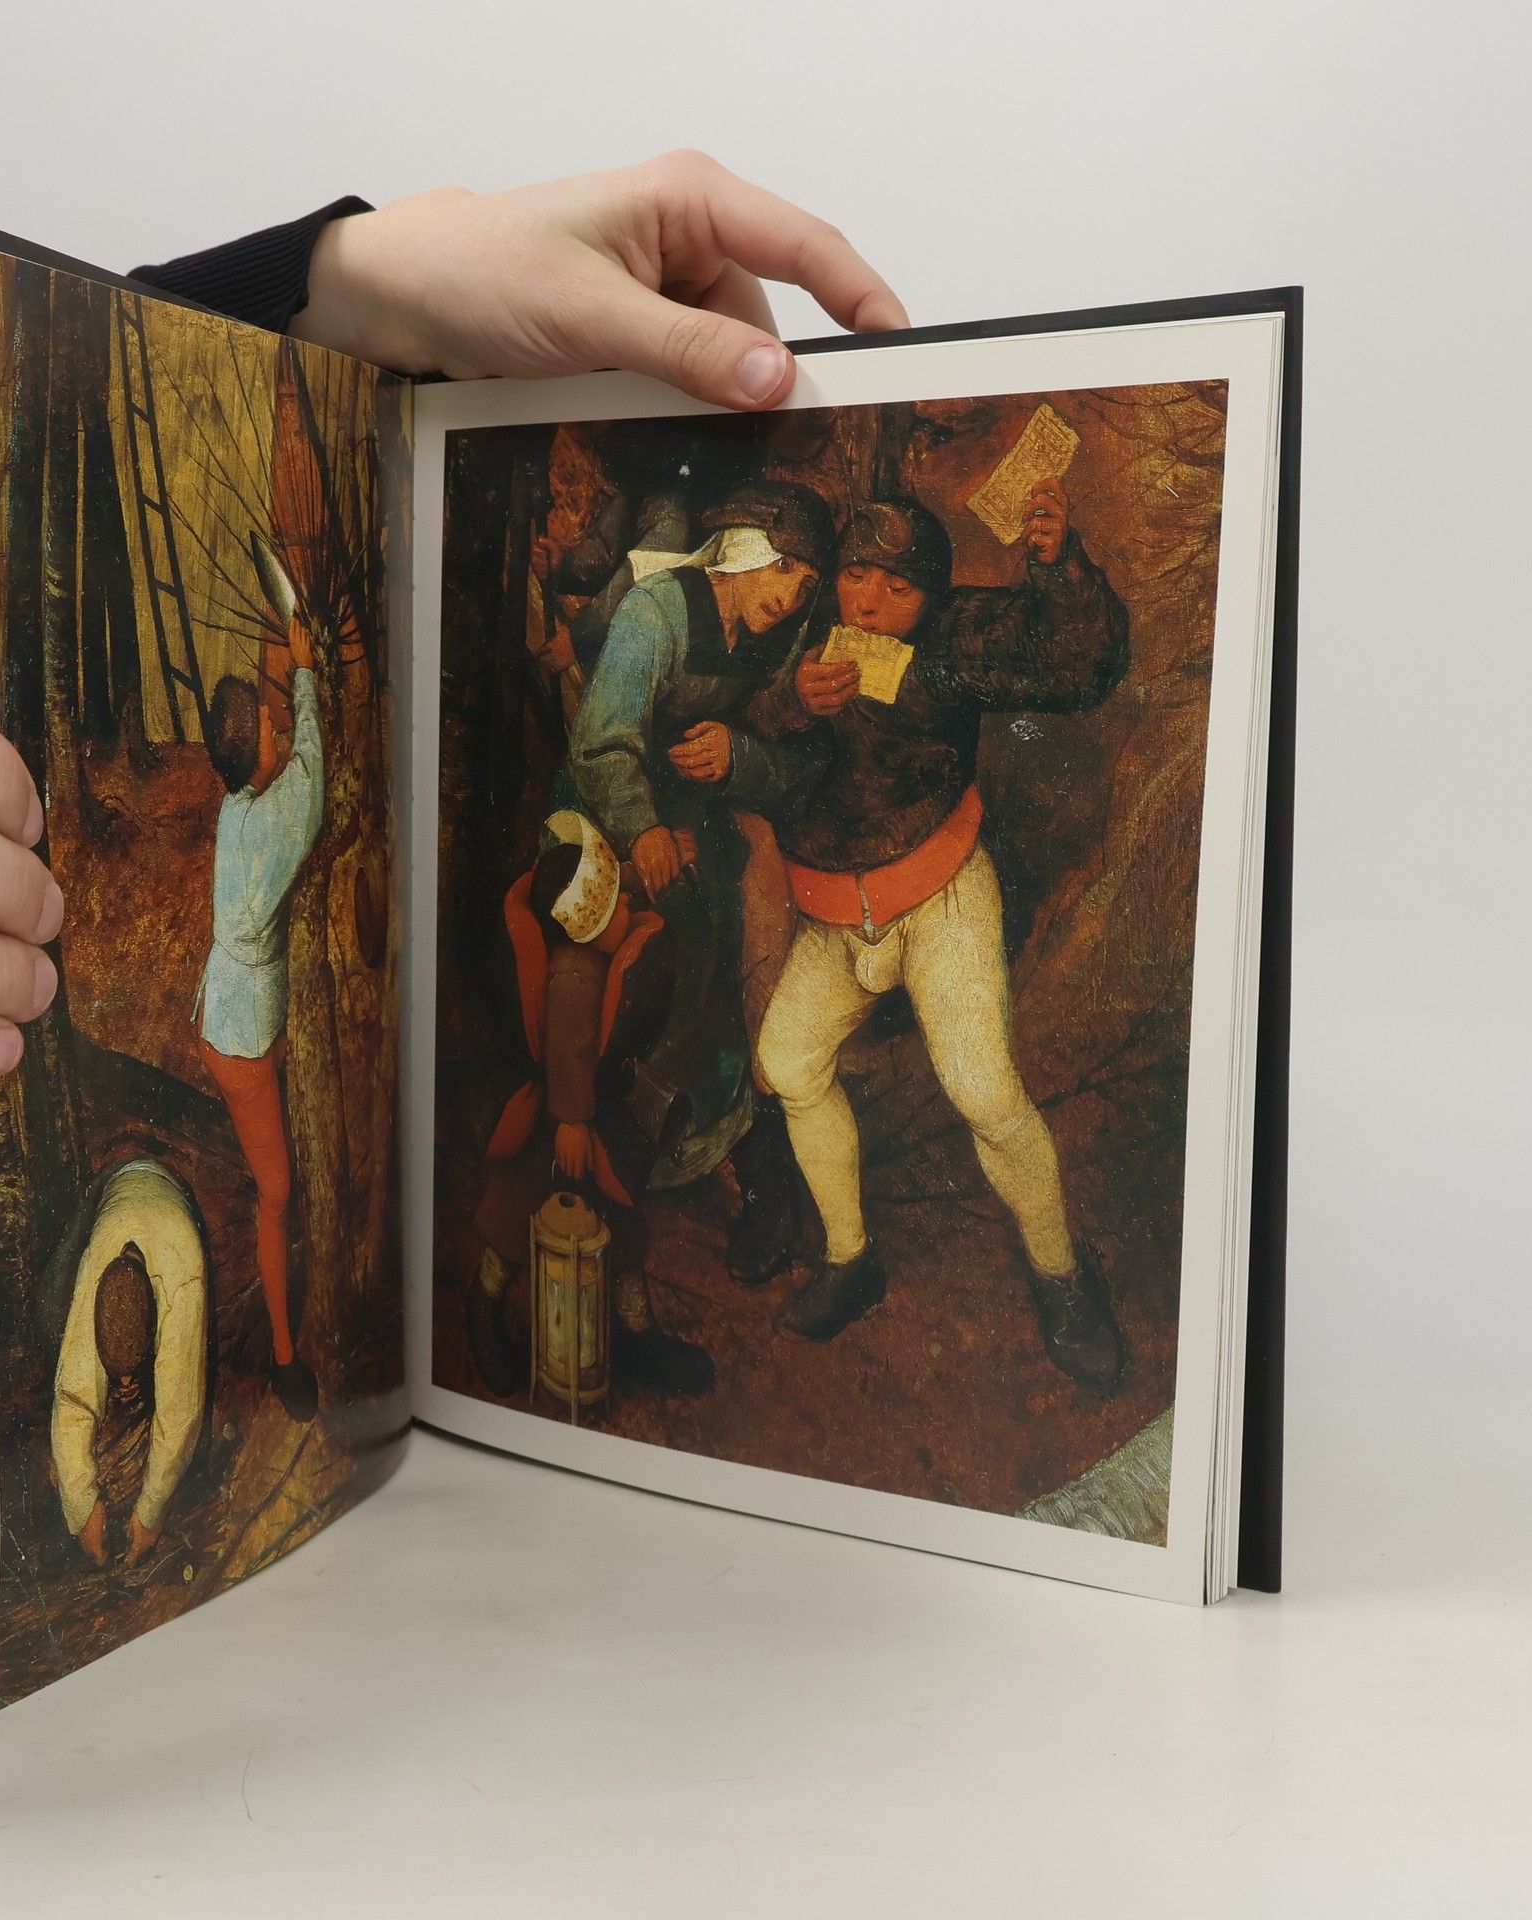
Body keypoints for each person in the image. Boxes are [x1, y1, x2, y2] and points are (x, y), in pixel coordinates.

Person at [0, 154, 908, 1141]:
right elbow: (582, 730)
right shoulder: (636, 625)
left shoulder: (276, 794)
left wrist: (322, 289)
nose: (789, 600)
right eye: (785, 576)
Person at [743, 484, 1133, 1388]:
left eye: (898, 587)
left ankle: (1062, 1278)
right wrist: (792, 702)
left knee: (985, 1093)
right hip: (835, 915)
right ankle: (852, 1260)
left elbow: (1080, 666)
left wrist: (1058, 567)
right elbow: (733, 715)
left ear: (930, 594)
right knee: (789, 1065)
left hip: (939, 894)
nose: (870, 603)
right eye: (856, 576)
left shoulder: (956, 636)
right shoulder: (804, 627)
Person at [562, 480, 831, 1288]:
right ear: (742, 551)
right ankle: (624, 1158)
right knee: (678, 949)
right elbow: (600, 743)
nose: (788, 596)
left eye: (805, 583)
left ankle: (747, 1165)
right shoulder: (658, 613)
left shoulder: (781, 640)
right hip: (607, 817)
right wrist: (642, 829)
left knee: (741, 941)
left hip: (699, 821)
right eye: (780, 568)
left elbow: (796, 765)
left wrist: (737, 757)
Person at [468, 810, 711, 1399]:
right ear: (589, 928)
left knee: (620, 1229)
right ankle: (483, 1311)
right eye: (614, 906)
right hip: (553, 1123)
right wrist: (572, 1121)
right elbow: (569, 1039)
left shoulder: (588, 925)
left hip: (589, 1110)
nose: (626, 905)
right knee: (513, 1224)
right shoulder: (575, 972)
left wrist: (659, 864)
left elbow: (615, 890)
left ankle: (637, 1333)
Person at [194, 593, 325, 1423]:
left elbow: (285, 755)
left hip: (237, 1003)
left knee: (272, 1153)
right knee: (276, 1192)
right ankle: (283, 1354)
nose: (279, 727)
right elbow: (312, 767)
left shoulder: (238, 804)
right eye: (271, 727)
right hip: (238, 1036)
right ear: (258, 753)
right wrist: (305, 672)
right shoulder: (279, 819)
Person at [50, 1158, 210, 1567]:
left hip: (173, 1191)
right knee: (47, 1315)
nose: (123, 1388)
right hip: (114, 1183)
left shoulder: (183, 1278)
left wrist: (150, 1514)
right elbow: (72, 1395)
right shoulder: (96, 1265)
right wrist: (81, 1507)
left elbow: (180, 1413)